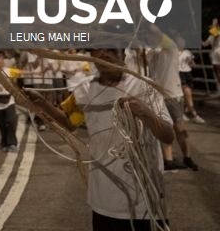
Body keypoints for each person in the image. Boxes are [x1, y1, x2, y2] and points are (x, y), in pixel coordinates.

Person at [27, 50, 174, 231]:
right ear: (91, 56)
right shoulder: (84, 88)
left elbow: (168, 135)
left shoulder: (145, 86)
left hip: (146, 199)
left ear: (123, 53)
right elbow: (70, 122)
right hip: (104, 198)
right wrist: (42, 103)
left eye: (111, 49)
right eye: (99, 50)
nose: (104, 54)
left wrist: (146, 112)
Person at [146, 30, 199, 171]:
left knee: (179, 128)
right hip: (158, 96)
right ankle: (168, 161)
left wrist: (147, 25)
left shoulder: (171, 49)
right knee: (165, 128)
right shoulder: (151, 52)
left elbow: (156, 33)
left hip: (172, 95)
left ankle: (187, 158)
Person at [0, 53, 18, 152]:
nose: (1, 62)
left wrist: (36, 73)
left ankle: (12, 143)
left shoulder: (8, 71)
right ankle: (4, 143)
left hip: (9, 100)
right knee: (1, 124)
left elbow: (20, 74)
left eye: (1, 59)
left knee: (11, 121)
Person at [177, 38, 205, 124]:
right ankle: (193, 114)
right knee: (186, 93)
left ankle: (183, 112)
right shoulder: (175, 52)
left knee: (186, 95)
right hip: (180, 73)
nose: (182, 44)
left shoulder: (187, 52)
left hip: (188, 73)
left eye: (183, 42)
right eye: (180, 42)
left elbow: (193, 64)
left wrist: (191, 62)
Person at [201, 17, 220, 93]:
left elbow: (216, 35)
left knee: (218, 73)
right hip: (214, 54)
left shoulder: (217, 33)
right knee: (217, 74)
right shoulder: (211, 36)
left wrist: (214, 24)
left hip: (217, 53)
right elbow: (204, 44)